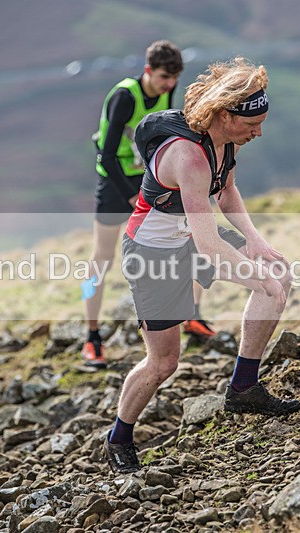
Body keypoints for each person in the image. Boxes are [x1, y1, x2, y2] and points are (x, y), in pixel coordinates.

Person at [104, 57, 300, 473]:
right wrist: (254, 272)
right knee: (164, 364)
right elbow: (210, 246)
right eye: (252, 125)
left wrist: (257, 243)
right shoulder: (188, 156)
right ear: (226, 115)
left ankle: (243, 387)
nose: (258, 132)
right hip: (152, 254)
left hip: (191, 238)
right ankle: (119, 436)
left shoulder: (226, 142)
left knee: (277, 276)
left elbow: (227, 193)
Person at [82, 40, 216, 369]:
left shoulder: (167, 90)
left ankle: (190, 316)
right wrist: (131, 195)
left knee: (188, 241)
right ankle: (91, 335)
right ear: (147, 71)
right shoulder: (125, 97)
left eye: (173, 79)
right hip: (115, 183)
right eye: (162, 78)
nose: (168, 85)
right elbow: (107, 154)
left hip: (149, 181)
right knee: (101, 258)